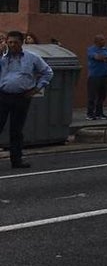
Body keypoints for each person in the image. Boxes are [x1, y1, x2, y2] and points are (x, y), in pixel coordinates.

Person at [0, 30, 53, 170]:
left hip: (21, 97)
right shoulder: (3, 57)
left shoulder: (32, 58)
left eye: (15, 42)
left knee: (16, 130)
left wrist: (36, 89)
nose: (12, 45)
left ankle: (16, 160)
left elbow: (47, 72)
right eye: (9, 42)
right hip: (3, 95)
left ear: (21, 43)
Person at [86, 33, 107, 119]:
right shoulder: (91, 49)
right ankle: (90, 114)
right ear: (96, 41)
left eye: (104, 39)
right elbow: (97, 57)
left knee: (102, 95)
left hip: (105, 75)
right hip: (95, 76)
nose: (104, 41)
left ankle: (99, 113)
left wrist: (105, 58)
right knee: (92, 96)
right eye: (102, 40)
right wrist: (105, 58)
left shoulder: (106, 49)